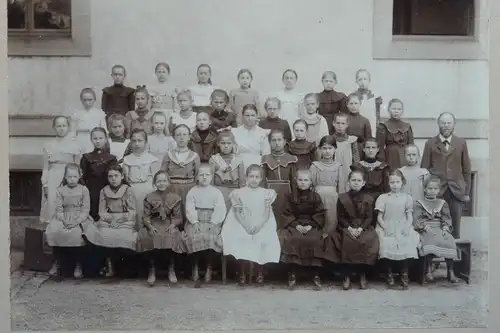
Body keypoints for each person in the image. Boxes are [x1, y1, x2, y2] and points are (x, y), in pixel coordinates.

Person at [221, 164, 281, 285]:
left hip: (262, 222)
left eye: (257, 177)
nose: (254, 179)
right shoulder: (238, 193)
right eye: (251, 176)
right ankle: (242, 271)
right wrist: (246, 225)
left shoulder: (266, 193)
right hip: (242, 222)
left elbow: (267, 214)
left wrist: (259, 226)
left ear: (261, 178)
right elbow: (237, 213)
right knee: (242, 238)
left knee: (264, 238)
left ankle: (260, 271)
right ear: (246, 177)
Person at [420, 112, 471, 239]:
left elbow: (466, 170)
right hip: (436, 191)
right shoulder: (430, 143)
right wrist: (426, 191)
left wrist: (466, 192)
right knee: (436, 225)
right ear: (438, 124)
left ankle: (452, 257)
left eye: (449, 123)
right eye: (443, 123)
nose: (446, 126)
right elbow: (424, 170)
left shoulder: (461, 143)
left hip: (456, 191)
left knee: (455, 228)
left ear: (454, 125)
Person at [83, 164, 138, 277]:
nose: (113, 179)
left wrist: (120, 220)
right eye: (110, 176)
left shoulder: (128, 190)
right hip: (108, 219)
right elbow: (101, 211)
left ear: (122, 176)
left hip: (125, 220)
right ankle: (109, 265)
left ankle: (124, 267)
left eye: (116, 176)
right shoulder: (104, 191)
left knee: (125, 235)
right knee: (103, 234)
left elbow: (132, 211)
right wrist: (110, 220)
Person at [330, 169, 379, 290]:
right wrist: (349, 228)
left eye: (359, 180)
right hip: (346, 226)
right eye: (353, 180)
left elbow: (369, 217)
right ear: (348, 182)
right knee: (347, 240)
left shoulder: (369, 198)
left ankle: (362, 274)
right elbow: (340, 217)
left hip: (363, 226)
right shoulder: (342, 198)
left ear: (363, 183)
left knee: (366, 240)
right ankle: (346, 275)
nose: (356, 183)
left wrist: (361, 228)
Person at [278, 169, 326, 290]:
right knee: (294, 238)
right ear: (296, 181)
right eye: (300, 180)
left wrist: (311, 225)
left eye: (306, 180)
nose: (303, 183)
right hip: (295, 224)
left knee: (315, 239)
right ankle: (293, 272)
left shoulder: (316, 196)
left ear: (311, 182)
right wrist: (296, 225)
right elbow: (286, 213)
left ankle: (315, 273)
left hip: (312, 224)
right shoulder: (290, 197)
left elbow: (320, 214)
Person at [137, 170, 185, 286]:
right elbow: (146, 216)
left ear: (168, 182)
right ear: (154, 183)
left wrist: (173, 225)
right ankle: (152, 269)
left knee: (173, 236)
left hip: (169, 223)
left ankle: (171, 268)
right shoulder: (149, 197)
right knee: (152, 236)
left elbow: (178, 216)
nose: (161, 183)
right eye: (159, 181)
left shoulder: (175, 197)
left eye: (164, 181)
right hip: (154, 223)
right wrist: (149, 226)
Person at [45, 163, 93, 279]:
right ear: (65, 177)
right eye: (69, 177)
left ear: (79, 176)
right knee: (54, 231)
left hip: (79, 217)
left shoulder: (84, 190)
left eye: (74, 177)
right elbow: (59, 208)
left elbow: (85, 209)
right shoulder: (61, 190)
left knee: (77, 234)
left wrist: (77, 221)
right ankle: (56, 263)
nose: (72, 179)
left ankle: (78, 265)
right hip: (64, 216)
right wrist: (63, 219)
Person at [375, 170, 420, 289]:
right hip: (386, 224)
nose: (395, 185)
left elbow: (409, 216)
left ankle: (404, 273)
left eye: (397, 182)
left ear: (402, 183)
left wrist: (407, 227)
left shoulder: (407, 198)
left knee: (407, 241)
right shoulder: (383, 197)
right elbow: (379, 217)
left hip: (402, 225)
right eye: (392, 182)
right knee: (386, 243)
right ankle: (388, 273)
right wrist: (385, 227)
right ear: (388, 184)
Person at [184, 164, 226, 287]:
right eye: (201, 175)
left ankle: (209, 267)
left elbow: (220, 209)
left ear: (212, 177)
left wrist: (213, 223)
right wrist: (195, 222)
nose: (204, 177)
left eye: (207, 175)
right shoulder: (192, 191)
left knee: (211, 237)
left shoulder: (216, 192)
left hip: (211, 220)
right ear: (197, 177)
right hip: (196, 220)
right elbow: (189, 209)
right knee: (193, 236)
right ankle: (195, 267)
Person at [413, 176, 459, 284]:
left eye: (435, 189)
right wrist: (424, 226)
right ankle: (428, 270)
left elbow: (446, 217)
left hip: (439, 227)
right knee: (429, 240)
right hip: (425, 229)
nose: (432, 191)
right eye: (430, 188)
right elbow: (417, 218)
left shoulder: (442, 203)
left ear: (438, 190)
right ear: (425, 189)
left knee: (449, 239)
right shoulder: (419, 203)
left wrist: (445, 227)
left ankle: (451, 271)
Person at [40, 116, 82, 224]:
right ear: (54, 127)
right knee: (52, 203)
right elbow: (45, 167)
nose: (61, 128)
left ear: (68, 127)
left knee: (68, 204)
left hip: (69, 177)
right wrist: (45, 185)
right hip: (53, 177)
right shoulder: (48, 145)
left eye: (64, 125)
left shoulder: (75, 145)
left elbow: (78, 167)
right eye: (58, 126)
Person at [122, 129, 158, 228]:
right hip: (133, 190)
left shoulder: (152, 159)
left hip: (148, 190)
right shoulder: (127, 160)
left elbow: (156, 179)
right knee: (135, 215)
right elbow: (126, 179)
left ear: (145, 142)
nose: (137, 144)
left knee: (147, 214)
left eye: (140, 140)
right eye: (134, 141)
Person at [80, 127, 118, 221]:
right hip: (91, 190)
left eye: (100, 138)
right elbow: (83, 177)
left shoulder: (111, 158)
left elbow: (115, 176)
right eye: (95, 138)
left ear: (105, 139)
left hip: (107, 189)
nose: (98, 141)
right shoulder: (86, 157)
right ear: (91, 140)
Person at [161, 124, 200, 209]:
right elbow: (163, 174)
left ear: (189, 137)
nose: (181, 137)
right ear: (174, 137)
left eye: (184, 134)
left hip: (189, 190)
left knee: (188, 212)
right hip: (172, 191)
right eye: (178, 135)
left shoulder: (195, 156)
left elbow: (197, 175)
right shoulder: (168, 155)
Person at [261, 129, 298, 220]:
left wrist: (295, 199)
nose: (277, 143)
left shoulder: (291, 159)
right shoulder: (265, 159)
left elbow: (294, 181)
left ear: (284, 141)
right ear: (269, 142)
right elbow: (262, 181)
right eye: (274, 140)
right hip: (270, 196)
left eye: (279, 140)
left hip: (287, 196)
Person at [309, 136, 342, 235]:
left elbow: (341, 187)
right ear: (320, 149)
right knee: (318, 221)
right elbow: (311, 185)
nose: (327, 151)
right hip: (318, 198)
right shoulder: (315, 166)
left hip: (333, 200)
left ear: (335, 149)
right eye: (324, 148)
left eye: (330, 148)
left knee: (331, 221)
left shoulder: (338, 166)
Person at [350, 138, 389, 214]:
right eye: (368, 147)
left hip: (379, 199)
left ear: (377, 149)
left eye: (373, 148)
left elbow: (386, 187)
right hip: (361, 199)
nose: (370, 150)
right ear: (364, 149)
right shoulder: (357, 166)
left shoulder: (383, 166)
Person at [209, 131, 246, 211]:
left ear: (233, 144)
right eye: (223, 143)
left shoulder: (238, 160)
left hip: (235, 194)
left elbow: (242, 181)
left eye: (229, 143)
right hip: (219, 194)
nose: (226, 146)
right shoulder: (214, 159)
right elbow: (210, 181)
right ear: (218, 144)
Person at [376, 98, 414, 171]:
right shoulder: (383, 126)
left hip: (405, 157)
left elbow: (411, 146)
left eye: (399, 109)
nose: (396, 111)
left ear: (402, 111)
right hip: (390, 157)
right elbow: (380, 147)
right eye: (394, 109)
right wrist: (382, 162)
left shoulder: (407, 126)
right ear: (389, 109)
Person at [231, 104, 271, 170]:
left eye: (253, 115)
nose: (250, 118)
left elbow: (266, 155)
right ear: (243, 116)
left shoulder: (263, 133)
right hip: (238, 168)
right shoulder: (234, 132)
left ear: (256, 116)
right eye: (247, 115)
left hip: (256, 169)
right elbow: (232, 154)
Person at [69, 88, 108, 154]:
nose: (87, 102)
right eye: (85, 100)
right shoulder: (76, 114)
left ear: (94, 99)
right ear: (81, 100)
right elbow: (72, 131)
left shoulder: (99, 113)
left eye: (90, 100)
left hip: (96, 141)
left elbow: (104, 130)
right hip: (81, 140)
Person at [331, 113, 361, 193]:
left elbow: (356, 159)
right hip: (334, 171)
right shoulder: (330, 139)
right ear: (333, 123)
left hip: (348, 171)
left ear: (347, 125)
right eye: (338, 123)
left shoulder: (352, 140)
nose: (340, 126)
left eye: (343, 123)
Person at [352, 69, 384, 135]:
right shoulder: (353, 96)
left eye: (365, 79)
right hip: (357, 124)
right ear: (356, 81)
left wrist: (377, 124)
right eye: (360, 79)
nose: (362, 82)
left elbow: (378, 113)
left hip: (371, 123)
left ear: (369, 80)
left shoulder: (375, 96)